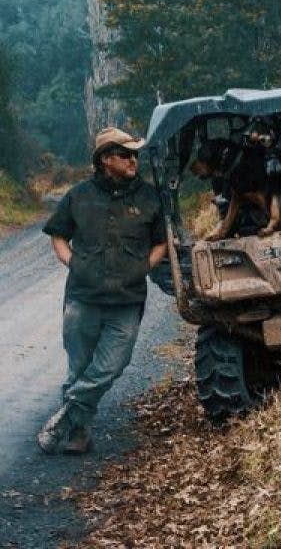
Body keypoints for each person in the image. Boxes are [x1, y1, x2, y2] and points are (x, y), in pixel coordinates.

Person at [37, 127, 167, 454]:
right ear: (107, 160)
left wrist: (144, 267)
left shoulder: (150, 197)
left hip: (127, 301)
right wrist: (73, 263)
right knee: (79, 366)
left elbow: (162, 242)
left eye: (135, 154)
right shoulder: (78, 195)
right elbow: (58, 234)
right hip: (82, 298)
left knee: (111, 366)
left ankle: (64, 417)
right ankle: (77, 433)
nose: (133, 159)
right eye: (126, 155)